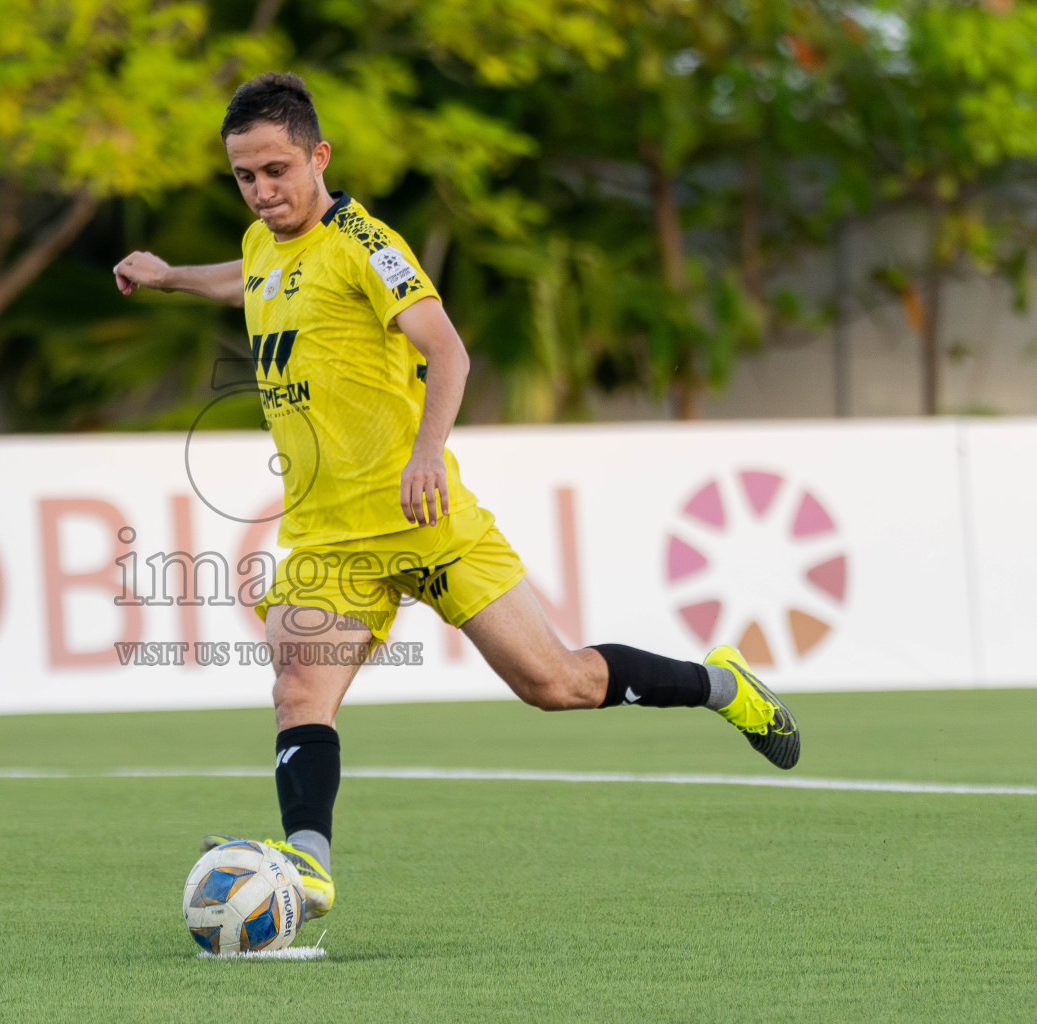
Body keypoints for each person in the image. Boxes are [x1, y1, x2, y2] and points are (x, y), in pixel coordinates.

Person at [112, 71, 798, 923]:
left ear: (319, 157)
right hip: (328, 538)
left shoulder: (368, 245)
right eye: (245, 176)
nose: (262, 191)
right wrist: (169, 275)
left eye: (277, 170)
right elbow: (244, 277)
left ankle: (721, 684)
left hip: (427, 522)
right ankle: (310, 867)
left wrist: (427, 452)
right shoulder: (263, 244)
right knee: (299, 690)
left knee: (557, 683)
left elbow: (449, 349)